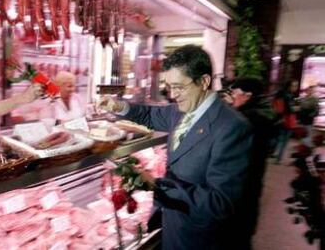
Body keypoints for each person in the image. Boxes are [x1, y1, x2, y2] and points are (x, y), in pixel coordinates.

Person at [98, 45, 253, 250]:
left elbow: (220, 203)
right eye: (169, 86)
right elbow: (149, 115)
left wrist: (156, 185)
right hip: (173, 226)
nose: (173, 94)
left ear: (204, 81)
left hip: (200, 237)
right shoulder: (179, 111)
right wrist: (119, 107)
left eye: (179, 87)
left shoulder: (232, 127)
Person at [228, 77, 277, 249]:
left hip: (240, 185)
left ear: (247, 96)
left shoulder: (247, 120)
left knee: (237, 234)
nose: (231, 96)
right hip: (250, 183)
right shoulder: (258, 115)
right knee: (243, 232)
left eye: (233, 92)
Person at [272, 79, 299, 163]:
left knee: (279, 138)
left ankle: (276, 154)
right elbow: (291, 109)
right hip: (288, 120)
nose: (296, 88)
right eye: (294, 86)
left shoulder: (280, 93)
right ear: (289, 86)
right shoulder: (289, 96)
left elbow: (276, 106)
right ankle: (278, 158)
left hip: (280, 119)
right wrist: (297, 108)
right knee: (284, 141)